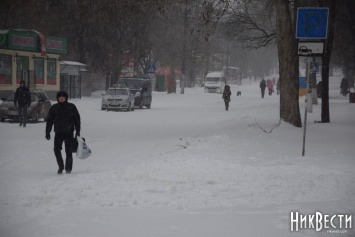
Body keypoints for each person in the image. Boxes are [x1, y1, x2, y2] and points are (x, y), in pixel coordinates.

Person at [45, 91, 81, 174]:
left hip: (69, 133)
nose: (61, 98)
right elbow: (49, 121)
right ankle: (60, 166)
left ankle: (68, 168)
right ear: (57, 98)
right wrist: (47, 132)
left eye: (63, 97)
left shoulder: (71, 107)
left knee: (68, 151)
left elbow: (77, 120)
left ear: (66, 98)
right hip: (58, 132)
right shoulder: (54, 107)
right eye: (59, 97)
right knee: (57, 150)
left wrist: (78, 131)